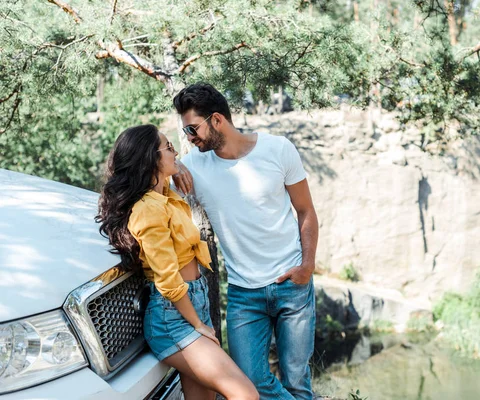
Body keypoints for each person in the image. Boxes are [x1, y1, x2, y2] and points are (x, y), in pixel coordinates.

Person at [172, 83, 319, 400]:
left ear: (216, 120)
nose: (189, 137)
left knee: (296, 382)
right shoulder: (194, 167)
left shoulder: (278, 150)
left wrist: (307, 266)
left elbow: (306, 210)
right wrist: (173, 165)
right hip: (243, 295)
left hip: (292, 286)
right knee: (250, 384)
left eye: (192, 128)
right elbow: (157, 196)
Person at [96, 124, 258, 400]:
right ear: (150, 159)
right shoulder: (147, 209)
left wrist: (175, 167)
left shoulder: (167, 197)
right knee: (245, 394)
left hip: (194, 305)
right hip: (174, 317)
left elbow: (169, 171)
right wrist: (197, 323)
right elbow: (168, 279)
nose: (175, 151)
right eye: (169, 147)